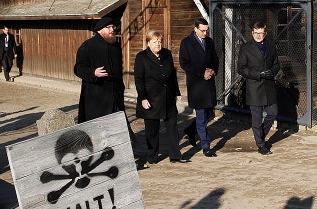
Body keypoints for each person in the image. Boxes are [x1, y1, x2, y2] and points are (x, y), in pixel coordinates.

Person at [135, 30, 188, 164]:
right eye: (155, 42)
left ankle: (175, 155)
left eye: (160, 41)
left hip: (167, 97)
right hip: (151, 98)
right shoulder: (141, 57)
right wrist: (143, 98)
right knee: (152, 129)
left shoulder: (167, 54)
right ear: (148, 43)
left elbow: (172, 75)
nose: (158, 44)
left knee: (172, 126)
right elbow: (139, 79)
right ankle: (152, 155)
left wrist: (176, 91)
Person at [237, 22, 280, 155]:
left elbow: (276, 64)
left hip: (268, 85)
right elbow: (241, 69)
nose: (258, 36)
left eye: (261, 33)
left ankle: (260, 135)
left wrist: (272, 72)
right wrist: (257, 74)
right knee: (256, 118)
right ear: (252, 33)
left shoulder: (271, 45)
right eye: (256, 33)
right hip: (254, 86)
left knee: (273, 112)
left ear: (265, 33)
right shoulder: (246, 48)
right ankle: (261, 145)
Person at [179, 18, 219, 158]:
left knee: (209, 113)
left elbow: (215, 58)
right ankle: (206, 147)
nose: (205, 33)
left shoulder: (209, 41)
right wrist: (201, 73)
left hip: (209, 83)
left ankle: (190, 129)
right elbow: (184, 63)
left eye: (207, 30)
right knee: (201, 116)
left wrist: (213, 70)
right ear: (195, 29)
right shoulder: (186, 42)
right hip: (197, 85)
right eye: (202, 30)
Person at [74, 17, 125, 123]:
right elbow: (78, 68)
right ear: (99, 30)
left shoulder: (115, 46)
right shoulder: (87, 46)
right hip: (97, 96)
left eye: (113, 27)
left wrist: (121, 87)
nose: (112, 29)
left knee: (118, 126)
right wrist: (93, 73)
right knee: (99, 127)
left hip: (116, 95)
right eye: (108, 27)